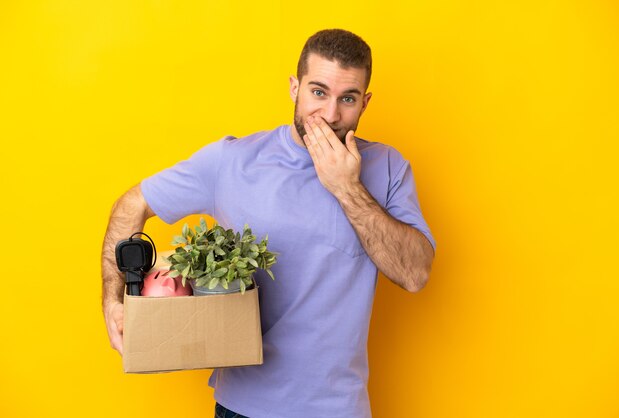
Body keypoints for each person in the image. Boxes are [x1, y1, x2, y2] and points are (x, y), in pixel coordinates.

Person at [102, 28, 436, 418]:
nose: (330, 115)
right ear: (294, 87)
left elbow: (415, 274)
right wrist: (114, 299)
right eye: (318, 92)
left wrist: (346, 187)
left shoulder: (388, 168)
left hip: (339, 409)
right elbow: (133, 204)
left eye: (347, 98)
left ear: (365, 102)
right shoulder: (233, 162)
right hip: (243, 407)